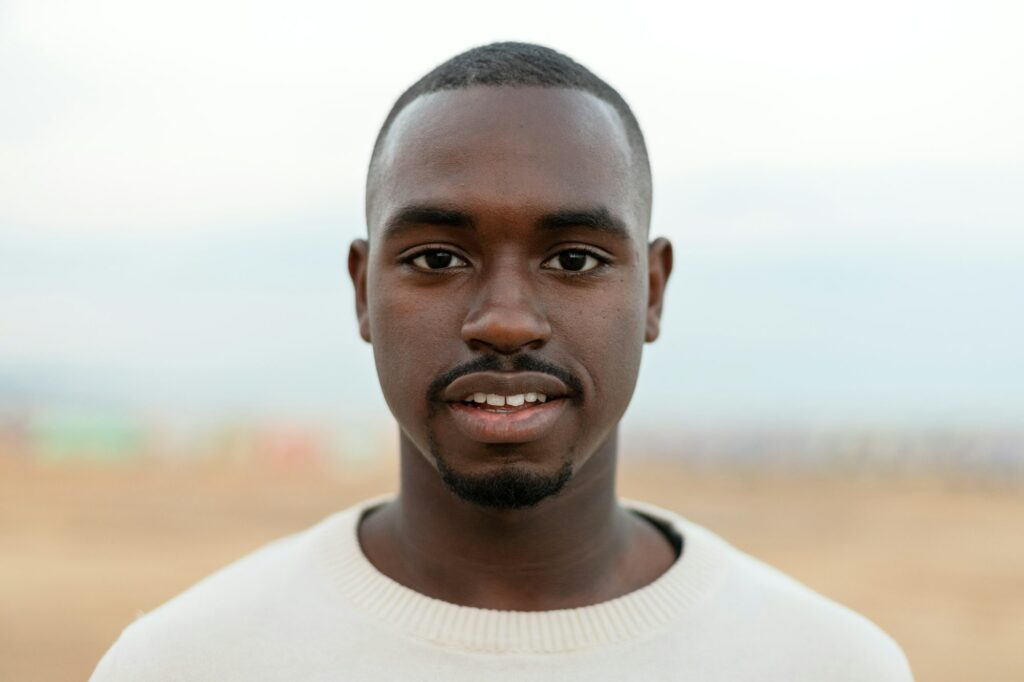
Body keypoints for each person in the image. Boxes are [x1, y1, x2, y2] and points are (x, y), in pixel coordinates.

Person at [91, 42, 913, 681]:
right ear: (362, 293)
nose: (507, 323)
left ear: (654, 291)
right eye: (439, 259)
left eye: (577, 259)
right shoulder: (183, 664)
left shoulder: (828, 665)